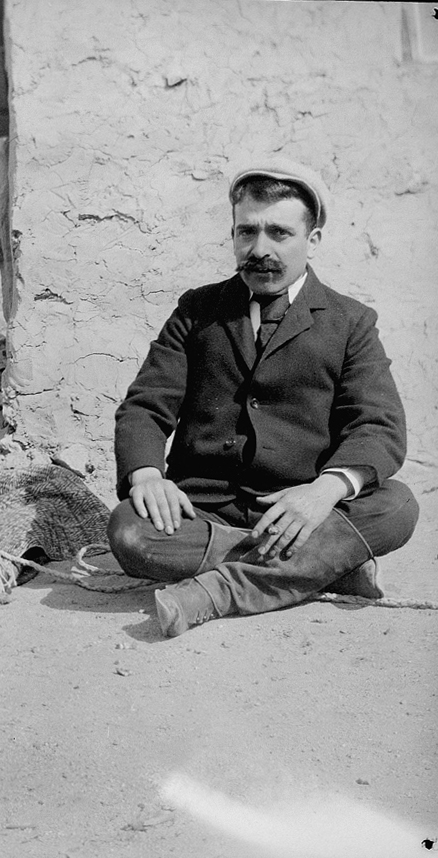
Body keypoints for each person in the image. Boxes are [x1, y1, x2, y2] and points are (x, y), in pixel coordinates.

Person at [107, 157, 418, 637]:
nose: (259, 249)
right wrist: (147, 475)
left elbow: (378, 425)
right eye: (245, 232)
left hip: (306, 511)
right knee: (129, 529)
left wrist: (324, 492)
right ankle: (326, 566)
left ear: (312, 240)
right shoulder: (197, 310)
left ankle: (219, 590)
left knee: (397, 506)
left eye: (279, 233)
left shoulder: (350, 321)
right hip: (206, 508)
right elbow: (146, 404)